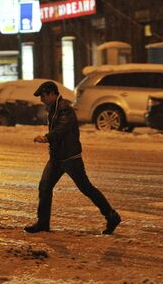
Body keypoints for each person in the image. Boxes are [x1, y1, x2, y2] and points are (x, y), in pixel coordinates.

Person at [25, 81, 121, 235]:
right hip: (57, 157)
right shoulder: (53, 108)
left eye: (43, 96)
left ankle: (112, 216)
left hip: (70, 158)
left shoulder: (64, 109)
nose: (41, 99)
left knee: (86, 188)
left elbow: (62, 129)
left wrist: (47, 137)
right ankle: (43, 223)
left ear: (51, 94)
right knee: (44, 186)